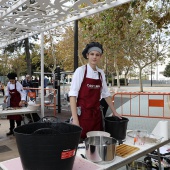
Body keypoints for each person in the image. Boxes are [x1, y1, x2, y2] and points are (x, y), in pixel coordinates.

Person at [69, 42, 121, 139]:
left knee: (97, 142)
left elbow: (106, 94)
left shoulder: (101, 73)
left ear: (100, 57)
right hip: (82, 116)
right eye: (92, 54)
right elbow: (72, 96)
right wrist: (75, 120)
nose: (94, 57)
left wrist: (114, 111)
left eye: (97, 55)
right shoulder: (81, 71)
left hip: (96, 116)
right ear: (87, 55)